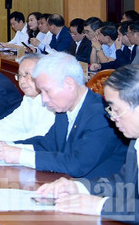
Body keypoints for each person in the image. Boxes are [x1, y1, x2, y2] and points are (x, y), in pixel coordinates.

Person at [0, 52, 127, 179]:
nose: (44, 99)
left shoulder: (101, 114)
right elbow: (47, 144)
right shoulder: (63, 109)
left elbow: (77, 163)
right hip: (66, 183)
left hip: (99, 192)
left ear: (69, 84)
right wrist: (10, 145)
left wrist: (21, 156)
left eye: (47, 91)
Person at [36, 65, 139, 220]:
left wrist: (100, 205)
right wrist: (78, 187)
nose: (112, 118)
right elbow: (123, 183)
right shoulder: (135, 142)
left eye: (116, 110)